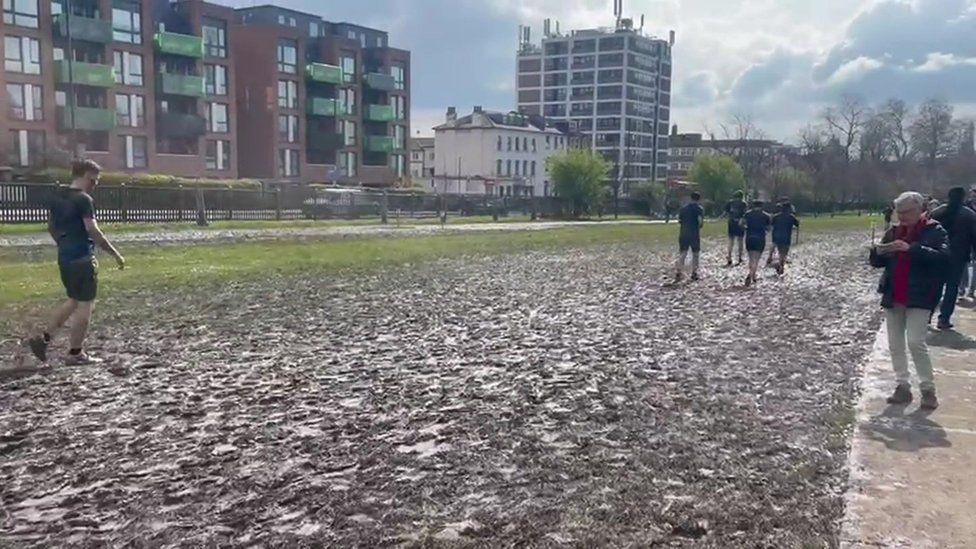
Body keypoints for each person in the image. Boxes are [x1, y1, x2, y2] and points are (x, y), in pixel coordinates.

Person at [27, 159, 125, 366]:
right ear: (82, 175)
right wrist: (115, 253)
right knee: (85, 305)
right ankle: (75, 353)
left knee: (73, 300)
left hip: (65, 259)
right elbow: (92, 230)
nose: (95, 183)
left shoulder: (58, 197)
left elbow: (52, 228)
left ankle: (43, 339)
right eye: (93, 179)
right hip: (82, 258)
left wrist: (63, 245)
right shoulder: (83, 200)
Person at [869, 191, 950, 410]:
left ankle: (928, 389)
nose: (902, 216)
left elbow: (943, 258)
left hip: (921, 295)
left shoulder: (934, 230)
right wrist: (876, 252)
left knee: (915, 342)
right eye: (899, 212)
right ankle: (902, 386)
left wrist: (912, 249)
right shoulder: (894, 231)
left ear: (919, 209)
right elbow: (878, 263)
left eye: (906, 212)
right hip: (894, 293)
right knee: (895, 344)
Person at [929, 186, 976, 330]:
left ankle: (927, 315)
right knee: (952, 288)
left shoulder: (938, 212)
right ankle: (944, 319)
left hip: (937, 254)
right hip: (959, 255)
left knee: (934, 286)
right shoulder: (969, 215)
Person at [675, 191, 705, 282]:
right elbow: (700, 222)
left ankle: (679, 271)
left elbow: (679, 220)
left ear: (690, 198)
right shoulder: (699, 209)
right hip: (694, 234)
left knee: (683, 253)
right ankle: (694, 272)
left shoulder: (683, 209)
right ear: (698, 199)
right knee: (695, 254)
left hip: (683, 233)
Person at [742, 200, 772, 286]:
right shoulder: (766, 216)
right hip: (760, 238)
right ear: (762, 206)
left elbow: (741, 223)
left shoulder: (748, 214)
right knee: (757, 259)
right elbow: (769, 228)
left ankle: (752, 274)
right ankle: (752, 274)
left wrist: (746, 228)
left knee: (751, 258)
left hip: (750, 237)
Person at [769, 201, 800, 275]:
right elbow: (797, 225)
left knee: (780, 252)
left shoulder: (776, 216)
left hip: (778, 237)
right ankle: (781, 265)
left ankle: (779, 264)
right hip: (786, 237)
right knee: (784, 253)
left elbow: (771, 225)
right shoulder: (791, 217)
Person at [723, 190, 747, 266]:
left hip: (731, 223)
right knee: (740, 241)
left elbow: (726, 213)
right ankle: (740, 257)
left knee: (731, 241)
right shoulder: (743, 204)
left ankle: (729, 257)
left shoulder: (730, 203)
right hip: (740, 223)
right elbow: (745, 214)